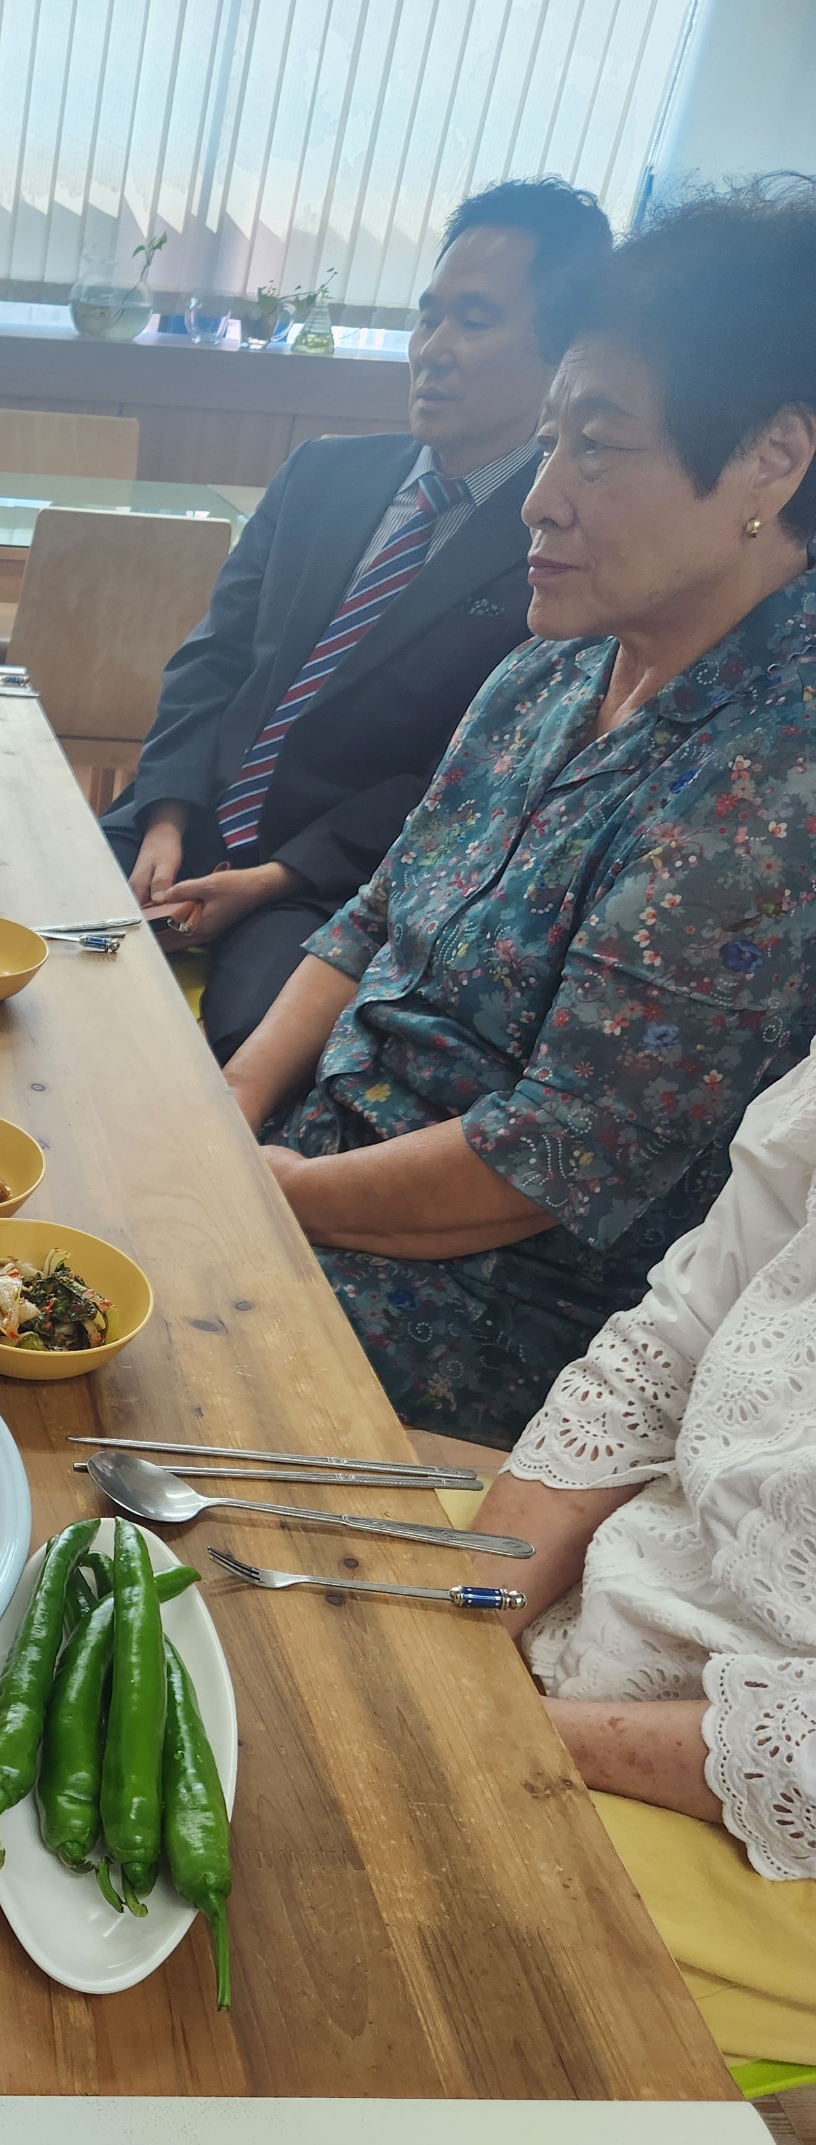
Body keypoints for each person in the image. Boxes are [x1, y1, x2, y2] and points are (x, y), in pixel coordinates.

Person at [223, 186, 816, 1446]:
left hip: (488, 1307)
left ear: (773, 458)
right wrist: (226, 1105)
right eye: (549, 441)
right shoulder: (559, 660)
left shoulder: (774, 779)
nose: (540, 499)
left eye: (595, 446)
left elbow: (549, 1159)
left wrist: (272, 1195)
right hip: (312, 1164)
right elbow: (377, 910)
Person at [100, 179, 613, 1058]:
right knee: (12, 935)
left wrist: (276, 877)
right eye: (428, 316)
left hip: (333, 876)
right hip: (191, 813)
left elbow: (461, 780)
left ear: (564, 354)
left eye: (475, 321)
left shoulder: (556, 544)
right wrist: (166, 817)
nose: (433, 350)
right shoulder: (322, 474)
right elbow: (214, 657)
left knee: (244, 1053)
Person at [471, 1039, 816, 2071]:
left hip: (758, 1811)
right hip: (621, 1585)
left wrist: (507, 1734)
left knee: (347, 1896)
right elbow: (667, 1346)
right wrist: (468, 1623)